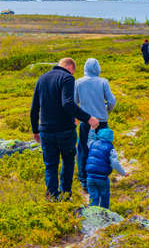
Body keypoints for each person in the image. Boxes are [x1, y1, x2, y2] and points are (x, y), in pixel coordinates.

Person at [30, 58, 99, 200]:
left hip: (46, 131)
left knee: (50, 165)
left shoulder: (42, 78)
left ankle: (51, 197)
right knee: (68, 163)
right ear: (70, 68)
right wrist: (88, 118)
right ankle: (66, 195)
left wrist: (35, 130)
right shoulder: (68, 78)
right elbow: (67, 103)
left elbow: (34, 108)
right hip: (65, 131)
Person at [75, 58, 116, 192]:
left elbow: (74, 104)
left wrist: (78, 116)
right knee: (104, 150)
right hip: (102, 121)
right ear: (97, 68)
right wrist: (106, 109)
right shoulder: (103, 82)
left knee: (83, 150)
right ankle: (102, 177)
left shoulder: (78, 82)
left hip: (85, 122)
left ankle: (84, 180)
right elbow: (112, 101)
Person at [86, 127, 128, 208]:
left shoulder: (93, 144)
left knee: (93, 197)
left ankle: (92, 215)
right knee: (104, 197)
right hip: (102, 179)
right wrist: (123, 173)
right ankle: (104, 215)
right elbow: (115, 163)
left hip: (90, 178)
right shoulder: (110, 149)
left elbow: (90, 139)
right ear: (111, 138)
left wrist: (92, 129)